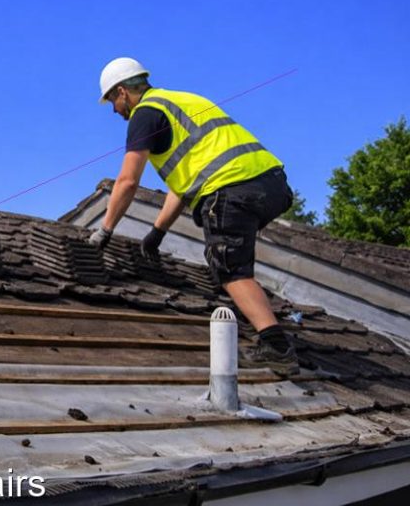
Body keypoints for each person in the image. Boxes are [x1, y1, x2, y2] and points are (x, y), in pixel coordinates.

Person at [88, 58, 298, 375]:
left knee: (228, 265)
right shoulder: (183, 100)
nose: (114, 111)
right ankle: (263, 314)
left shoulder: (145, 114)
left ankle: (276, 346)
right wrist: (157, 232)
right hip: (270, 184)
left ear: (122, 92)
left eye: (112, 103)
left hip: (230, 187)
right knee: (234, 248)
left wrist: (105, 230)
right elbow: (185, 184)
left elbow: (128, 181)